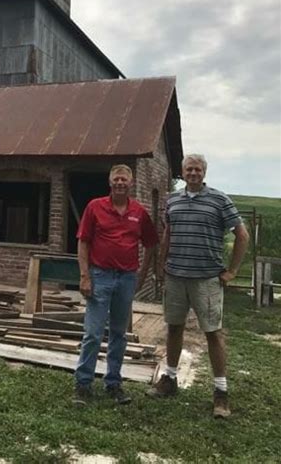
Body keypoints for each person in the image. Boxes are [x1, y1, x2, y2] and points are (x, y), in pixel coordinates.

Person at [147, 154, 249, 418]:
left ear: (204, 172)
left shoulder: (219, 200)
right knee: (174, 327)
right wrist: (161, 264)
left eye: (198, 169)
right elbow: (168, 233)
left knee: (213, 333)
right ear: (182, 173)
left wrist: (233, 270)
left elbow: (241, 234)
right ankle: (169, 379)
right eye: (189, 169)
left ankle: (221, 393)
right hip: (176, 276)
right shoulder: (173, 200)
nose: (193, 173)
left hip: (207, 279)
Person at [73, 164, 159, 406]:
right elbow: (83, 242)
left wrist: (142, 275)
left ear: (130, 184)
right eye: (116, 179)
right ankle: (83, 384)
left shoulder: (139, 212)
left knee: (119, 334)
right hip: (100, 275)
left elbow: (151, 243)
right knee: (93, 333)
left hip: (126, 278)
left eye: (125, 179)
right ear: (110, 183)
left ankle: (113, 383)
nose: (120, 183)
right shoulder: (95, 207)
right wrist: (84, 276)